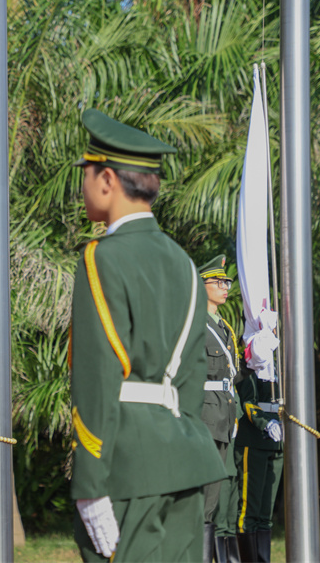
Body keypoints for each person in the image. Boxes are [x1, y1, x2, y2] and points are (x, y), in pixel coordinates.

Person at [69, 109, 226, 562]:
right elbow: (191, 377)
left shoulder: (102, 257)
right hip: (185, 456)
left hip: (126, 465)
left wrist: (90, 480)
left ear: (106, 180)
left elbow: (97, 375)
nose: (83, 185)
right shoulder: (184, 263)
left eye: (87, 173)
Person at [198, 255, 241, 563]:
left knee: (212, 499)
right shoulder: (195, 325)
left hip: (222, 417)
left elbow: (229, 375)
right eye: (219, 282)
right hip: (204, 417)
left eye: (227, 282)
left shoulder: (223, 327)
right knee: (200, 498)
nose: (226, 287)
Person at [233, 363, 283, 562]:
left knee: (265, 515)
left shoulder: (278, 365)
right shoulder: (251, 362)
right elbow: (247, 401)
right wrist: (266, 423)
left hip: (276, 443)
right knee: (249, 512)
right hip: (254, 440)